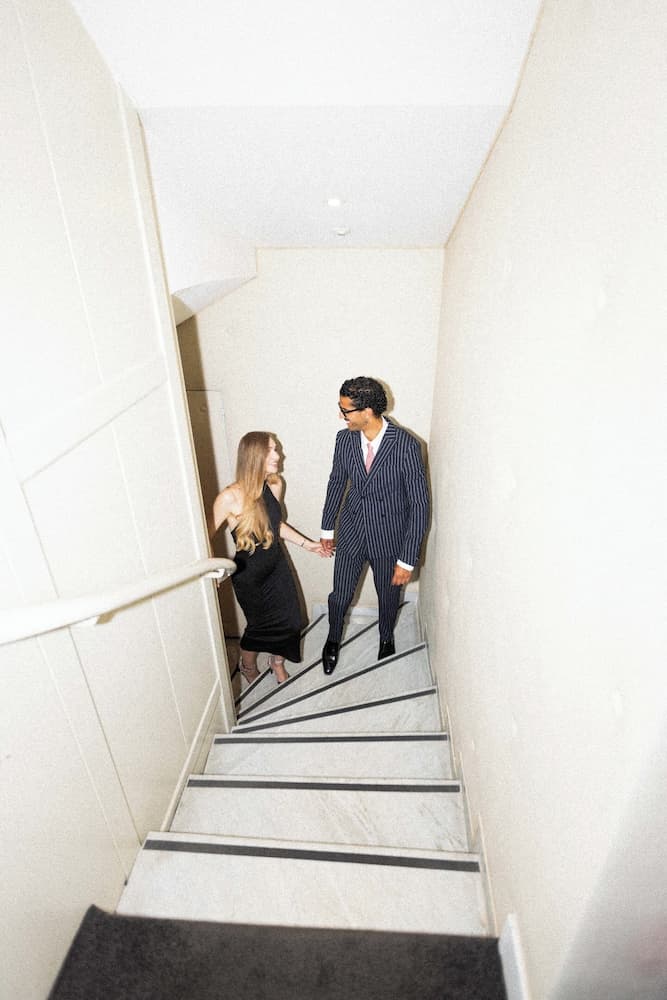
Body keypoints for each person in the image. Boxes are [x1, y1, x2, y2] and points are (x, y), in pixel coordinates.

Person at [320, 377, 429, 675]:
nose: (341, 416)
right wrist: (327, 529)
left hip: (389, 537)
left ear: (367, 411)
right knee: (339, 596)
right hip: (352, 531)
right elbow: (336, 483)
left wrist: (407, 559)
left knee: (388, 596)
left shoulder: (406, 445)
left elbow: (420, 505)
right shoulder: (344, 440)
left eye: (346, 410)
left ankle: (386, 637)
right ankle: (332, 640)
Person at [212, 431, 326, 685]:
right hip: (249, 576)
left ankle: (277, 662)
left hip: (277, 566)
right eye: (271, 450)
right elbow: (204, 535)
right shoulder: (229, 497)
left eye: (276, 449)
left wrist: (308, 544)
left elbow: (275, 525)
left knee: (291, 621)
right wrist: (215, 570)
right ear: (254, 456)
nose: (278, 455)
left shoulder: (274, 485)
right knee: (259, 628)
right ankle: (247, 666)